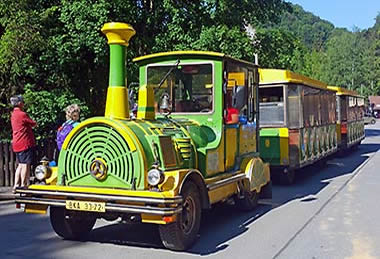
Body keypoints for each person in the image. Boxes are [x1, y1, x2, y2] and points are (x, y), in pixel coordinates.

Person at [10, 95, 37, 191]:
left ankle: (16, 185)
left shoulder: (13, 114)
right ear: (20, 103)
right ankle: (24, 184)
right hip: (24, 142)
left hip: (16, 142)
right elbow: (33, 123)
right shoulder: (22, 114)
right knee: (25, 164)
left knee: (20, 164)